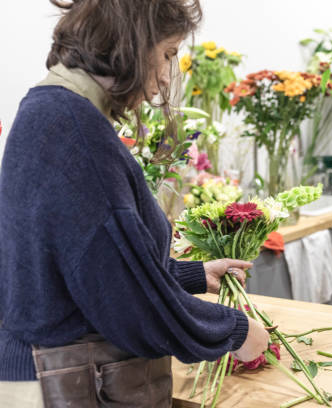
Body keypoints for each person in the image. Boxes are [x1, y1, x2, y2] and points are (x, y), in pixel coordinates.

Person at [0, 1, 270, 406]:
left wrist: (191, 276)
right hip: (63, 385)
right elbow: (127, 304)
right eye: (167, 55)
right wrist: (234, 331)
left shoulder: (48, 109)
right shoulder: (76, 129)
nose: (165, 79)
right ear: (133, 42)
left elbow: (88, 271)